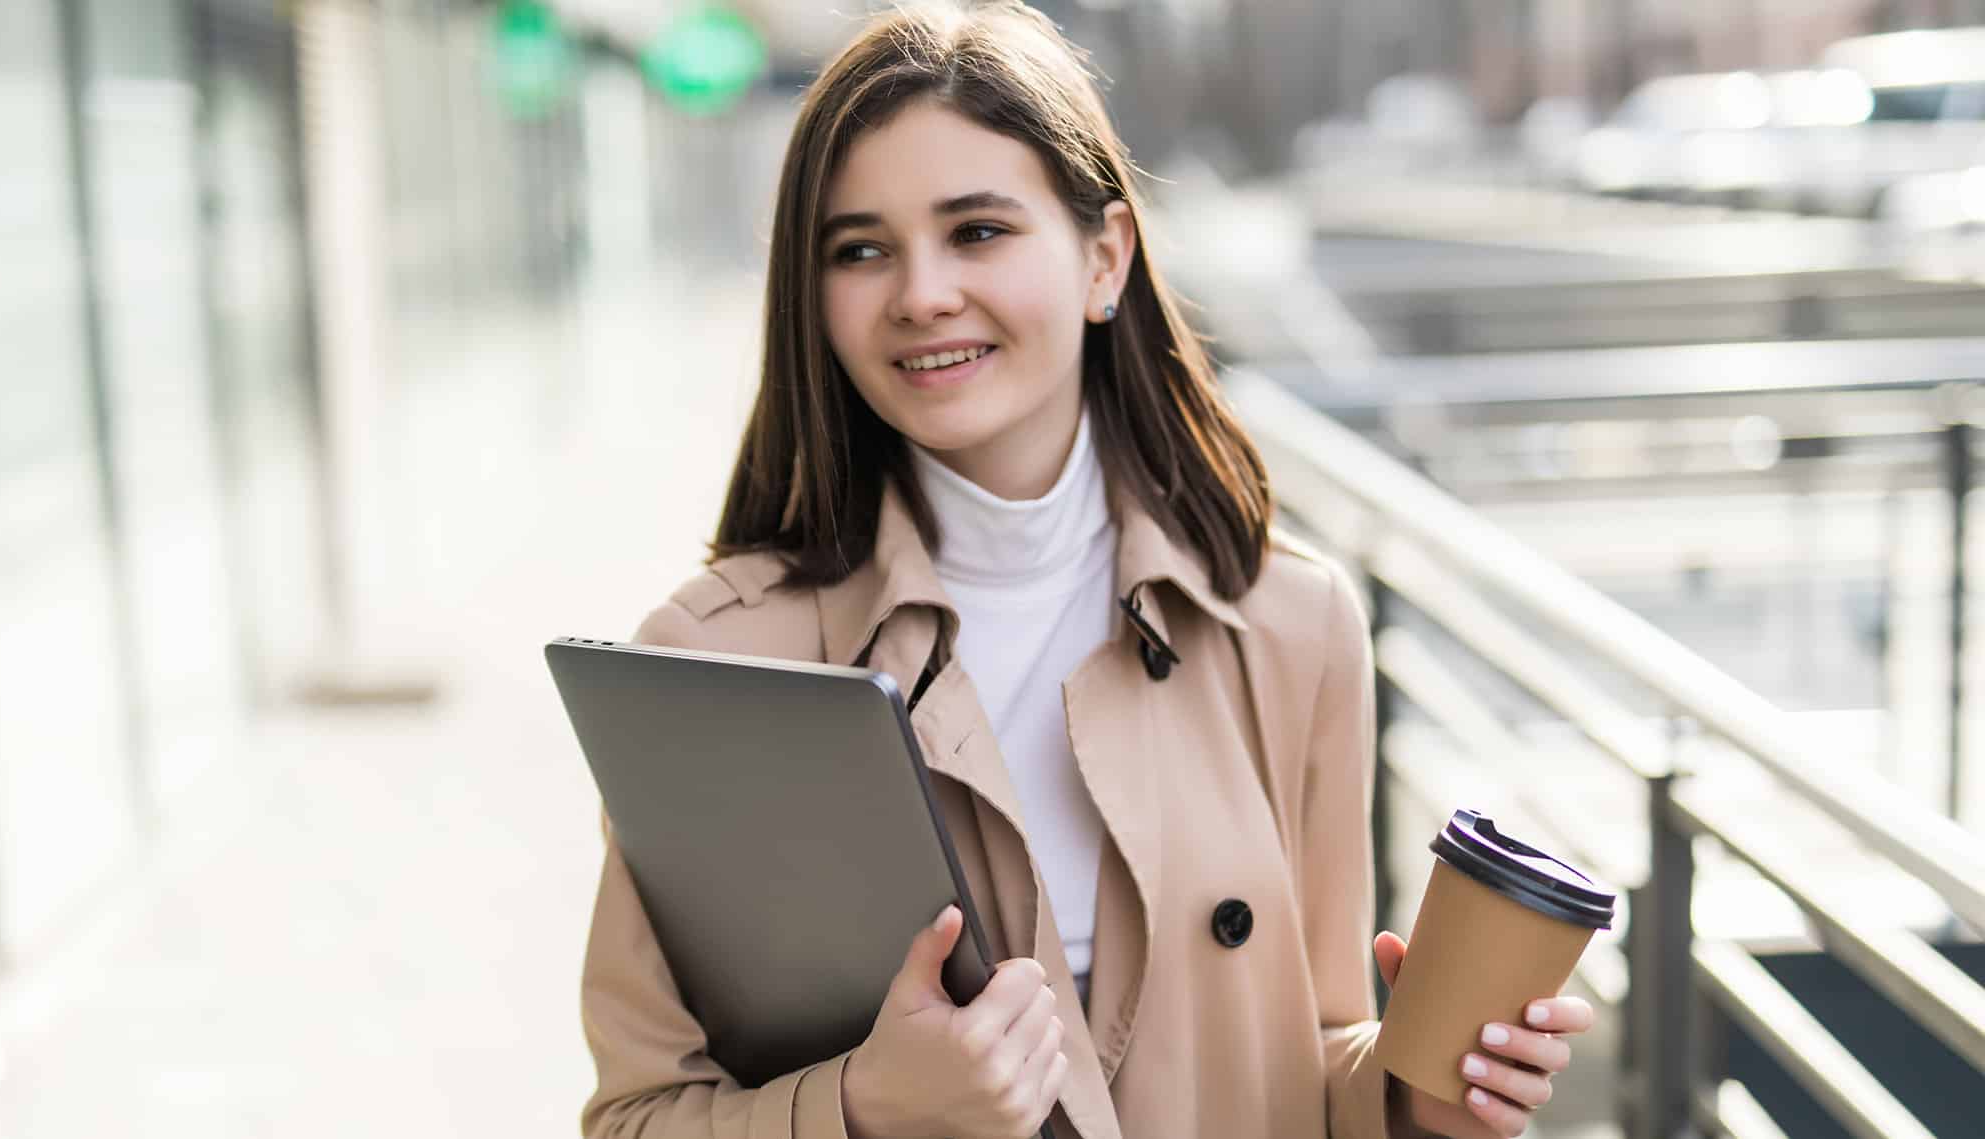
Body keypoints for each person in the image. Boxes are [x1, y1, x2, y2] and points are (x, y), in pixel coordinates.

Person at [579, 3, 1596, 1137]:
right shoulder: (712, 663)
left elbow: (1311, 1059)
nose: (919, 292)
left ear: (1103, 256)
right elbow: (638, 1114)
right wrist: (866, 1104)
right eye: (859, 248)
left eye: (975, 231)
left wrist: (1416, 1088)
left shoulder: (1288, 623)